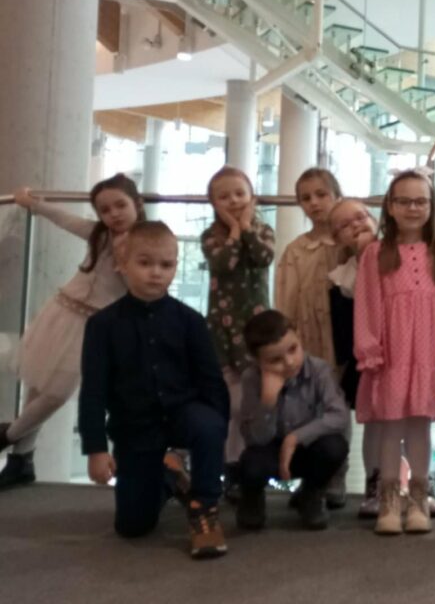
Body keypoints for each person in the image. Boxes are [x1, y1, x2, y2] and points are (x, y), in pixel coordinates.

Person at [78, 221, 229, 559]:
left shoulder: (190, 321)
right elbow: (93, 391)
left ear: (175, 266)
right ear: (123, 262)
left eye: (166, 264)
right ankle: (170, 477)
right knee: (133, 526)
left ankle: (203, 507)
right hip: (135, 426)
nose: (156, 273)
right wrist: (96, 449)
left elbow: (211, 381)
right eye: (145, 263)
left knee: (208, 424)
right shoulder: (101, 325)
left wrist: (218, 431)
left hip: (184, 414)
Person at [0, 174, 144, 489]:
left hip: (95, 326)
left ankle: (7, 435)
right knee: (38, 386)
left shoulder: (145, 242)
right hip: (62, 312)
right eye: (105, 210)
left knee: (57, 392)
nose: (114, 214)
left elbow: (142, 288)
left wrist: (128, 260)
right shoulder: (99, 235)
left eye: (120, 205)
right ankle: (21, 460)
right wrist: (33, 203)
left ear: (137, 203)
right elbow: (65, 219)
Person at [354, 169, 435, 535]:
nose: (413, 208)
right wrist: (370, 350)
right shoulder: (375, 253)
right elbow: (366, 304)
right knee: (390, 428)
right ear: (391, 207)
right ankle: (389, 501)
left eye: (420, 201)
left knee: (420, 427)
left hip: (427, 356)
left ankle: (419, 499)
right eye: (405, 201)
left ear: (431, 206)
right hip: (391, 356)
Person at [236, 310, 350, 531]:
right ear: (257, 360)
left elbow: (339, 415)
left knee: (335, 447)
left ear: (298, 336)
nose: (289, 362)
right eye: (275, 360)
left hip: (307, 448)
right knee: (250, 463)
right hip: (269, 449)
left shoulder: (319, 370)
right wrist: (267, 403)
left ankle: (311, 493)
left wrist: (295, 438)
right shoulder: (251, 378)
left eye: (293, 349)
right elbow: (254, 439)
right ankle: (251, 499)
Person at [201, 166, 276, 502]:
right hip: (222, 327)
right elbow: (223, 264)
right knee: (232, 403)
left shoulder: (263, 230)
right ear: (213, 203)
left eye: (239, 194)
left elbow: (263, 257)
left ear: (252, 197)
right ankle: (231, 468)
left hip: (256, 326)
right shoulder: (211, 236)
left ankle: (251, 468)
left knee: (253, 402)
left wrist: (245, 228)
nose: (233, 201)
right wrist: (233, 231)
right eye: (224, 196)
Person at [274, 167, 346, 509]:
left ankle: (336, 477)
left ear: (336, 195)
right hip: (306, 339)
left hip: (340, 340)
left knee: (337, 406)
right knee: (307, 407)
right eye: (306, 198)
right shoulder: (295, 251)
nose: (315, 203)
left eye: (321, 194)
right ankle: (311, 480)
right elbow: (285, 300)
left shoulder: (347, 246)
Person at [328, 198, 382, 519]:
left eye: (360, 217)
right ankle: (375, 483)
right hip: (370, 357)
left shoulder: (400, 255)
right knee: (376, 423)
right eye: (345, 226)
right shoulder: (343, 277)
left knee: (409, 422)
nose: (356, 226)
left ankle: (412, 481)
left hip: (405, 352)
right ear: (338, 239)